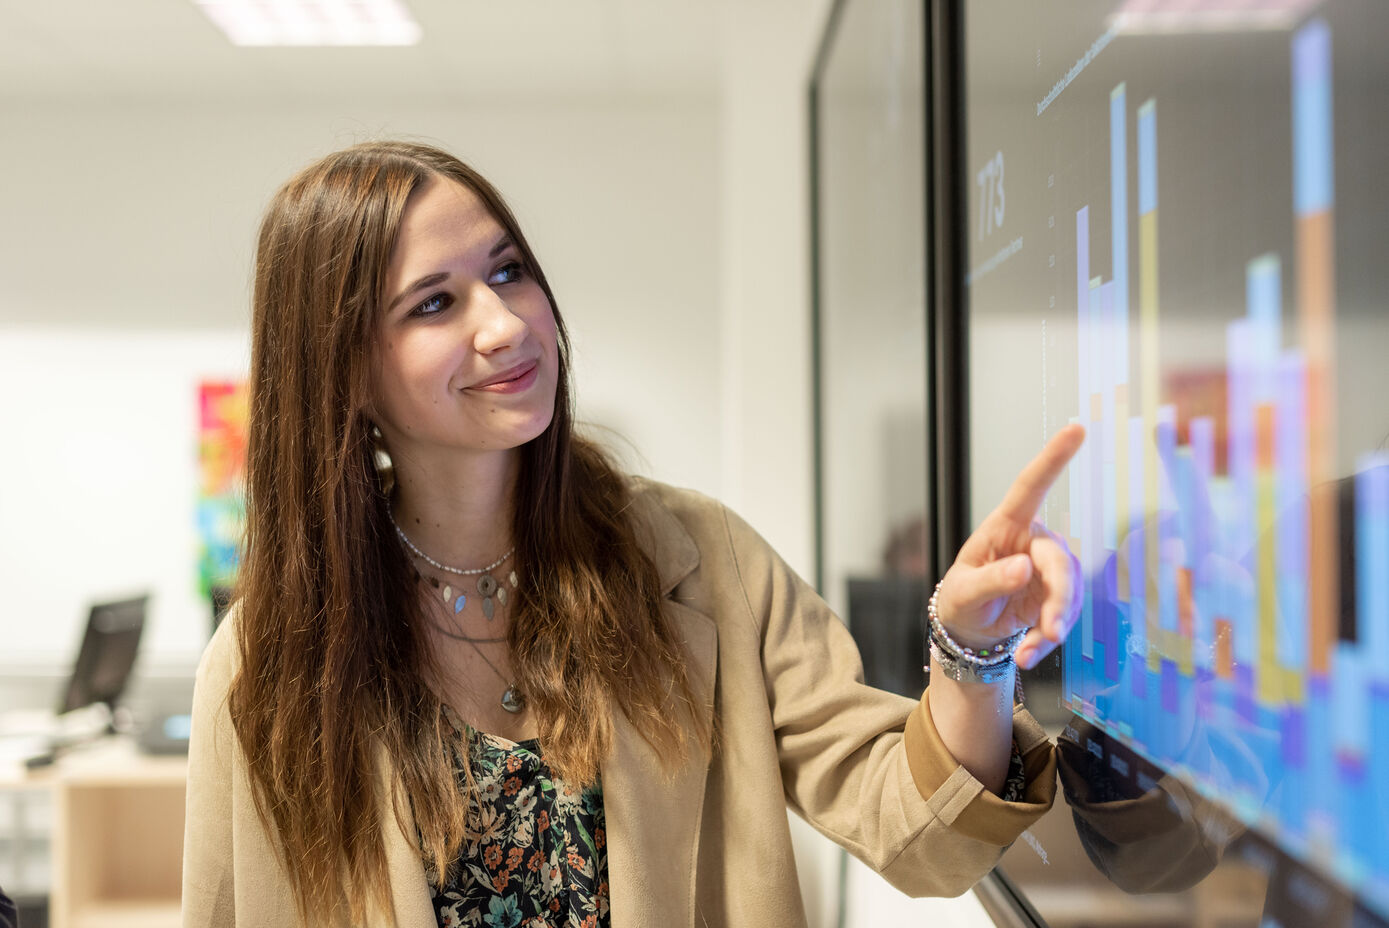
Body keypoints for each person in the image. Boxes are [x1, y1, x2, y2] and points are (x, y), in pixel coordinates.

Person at [180, 140, 1086, 928]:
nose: (504, 325)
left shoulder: (701, 562)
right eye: (433, 304)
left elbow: (921, 838)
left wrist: (972, 649)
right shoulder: (266, 663)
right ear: (343, 374)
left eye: (507, 272)